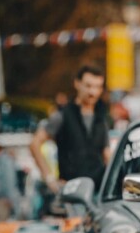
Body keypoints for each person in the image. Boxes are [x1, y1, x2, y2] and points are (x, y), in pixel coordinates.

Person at [30, 65, 111, 193]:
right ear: (77, 84)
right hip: (71, 189)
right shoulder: (63, 115)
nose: (92, 92)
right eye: (88, 85)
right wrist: (49, 178)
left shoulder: (101, 117)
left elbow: (106, 153)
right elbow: (35, 143)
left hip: (98, 189)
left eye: (97, 87)